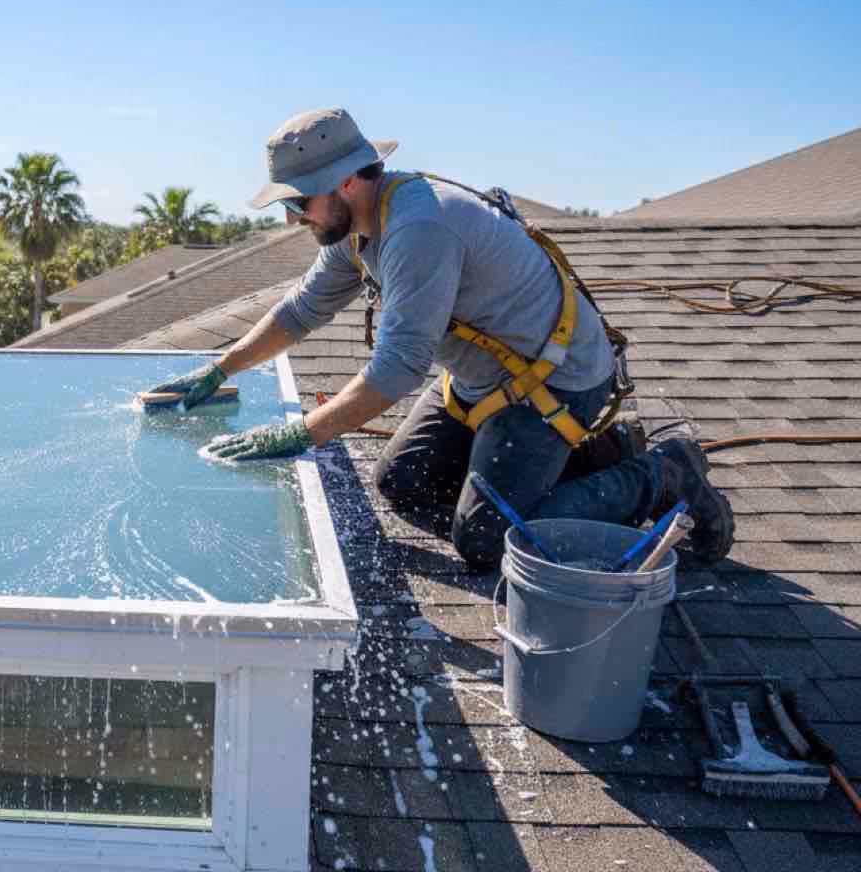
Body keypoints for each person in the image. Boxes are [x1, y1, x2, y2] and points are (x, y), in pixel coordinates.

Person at [149, 107, 733, 570]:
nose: (292, 219)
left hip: (554, 381)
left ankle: (664, 473)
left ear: (348, 181)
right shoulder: (361, 226)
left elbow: (397, 370)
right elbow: (302, 311)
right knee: (400, 482)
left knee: (488, 540)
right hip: (484, 377)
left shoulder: (419, 228)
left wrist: (300, 434)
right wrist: (219, 369)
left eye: (300, 201)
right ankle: (566, 467)